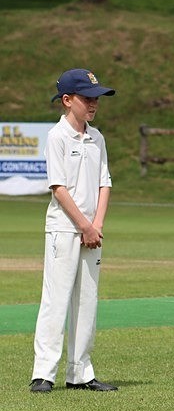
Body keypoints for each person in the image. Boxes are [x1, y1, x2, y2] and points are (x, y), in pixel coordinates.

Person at [30, 68, 117, 393]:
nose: (93, 104)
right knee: (56, 298)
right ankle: (44, 372)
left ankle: (80, 372)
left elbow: (104, 183)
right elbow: (58, 187)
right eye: (86, 98)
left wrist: (96, 226)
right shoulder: (57, 136)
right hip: (64, 230)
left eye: (96, 98)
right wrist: (83, 225)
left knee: (87, 300)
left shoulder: (97, 137)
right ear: (67, 100)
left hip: (92, 233)